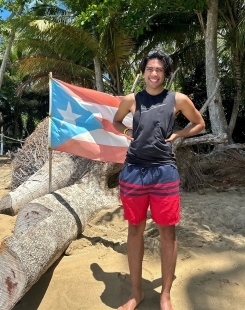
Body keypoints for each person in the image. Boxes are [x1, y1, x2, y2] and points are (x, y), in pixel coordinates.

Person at [113, 50, 205, 310]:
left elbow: (199, 123)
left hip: (164, 170)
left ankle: (165, 295)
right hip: (133, 171)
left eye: (159, 70)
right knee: (135, 230)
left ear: (166, 74)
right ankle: (136, 293)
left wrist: (178, 134)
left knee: (168, 232)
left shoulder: (177, 99)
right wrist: (126, 131)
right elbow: (116, 121)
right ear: (143, 72)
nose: (154, 74)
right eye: (150, 69)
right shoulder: (132, 100)